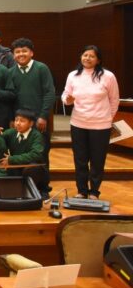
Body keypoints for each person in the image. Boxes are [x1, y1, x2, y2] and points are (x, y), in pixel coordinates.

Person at [61, 45, 119, 199]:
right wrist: (67, 100)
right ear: (81, 56)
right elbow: (65, 95)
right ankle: (81, 190)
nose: (87, 58)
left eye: (92, 56)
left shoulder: (108, 76)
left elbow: (114, 100)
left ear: (98, 60)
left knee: (97, 160)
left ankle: (94, 191)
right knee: (80, 159)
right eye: (85, 55)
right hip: (78, 123)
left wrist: (108, 118)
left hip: (101, 125)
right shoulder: (73, 75)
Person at [10, 37, 56, 187]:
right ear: (13, 55)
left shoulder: (41, 68)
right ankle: (23, 187)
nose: (21, 54)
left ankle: (43, 187)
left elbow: (49, 93)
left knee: (42, 154)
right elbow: (10, 97)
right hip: (19, 122)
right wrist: (13, 119)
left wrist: (43, 116)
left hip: (39, 121)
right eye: (17, 52)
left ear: (31, 53)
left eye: (24, 51)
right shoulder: (11, 72)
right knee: (20, 153)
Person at [0, 109, 48, 198]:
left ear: (31, 123)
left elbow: (35, 155)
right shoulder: (11, 132)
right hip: (16, 168)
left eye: (22, 121)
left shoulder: (37, 136)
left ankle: (33, 192)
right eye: (16, 120)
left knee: (33, 169)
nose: (18, 123)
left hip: (33, 169)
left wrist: (12, 159)